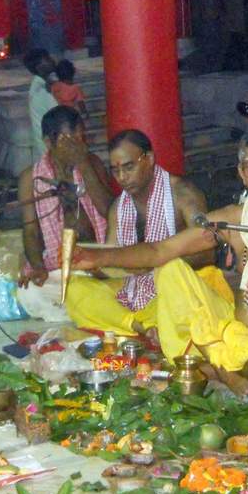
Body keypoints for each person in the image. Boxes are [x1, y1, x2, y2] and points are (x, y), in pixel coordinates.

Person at [71, 126, 248, 395]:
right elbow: (159, 251)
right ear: (242, 173)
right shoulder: (233, 218)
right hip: (238, 335)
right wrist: (95, 256)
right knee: (170, 271)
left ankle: (212, 366)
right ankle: (224, 366)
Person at [64, 129, 226, 347]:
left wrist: (154, 266)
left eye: (129, 167)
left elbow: (208, 252)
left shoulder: (183, 193)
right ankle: (140, 326)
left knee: (194, 293)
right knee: (75, 289)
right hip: (136, 289)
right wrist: (94, 265)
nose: (122, 177)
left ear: (149, 159)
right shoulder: (118, 207)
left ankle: (137, 325)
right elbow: (113, 264)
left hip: (172, 288)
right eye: (116, 170)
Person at [16, 106, 114, 319]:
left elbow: (109, 211)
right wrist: (38, 267)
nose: (78, 146)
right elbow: (30, 231)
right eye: (69, 141)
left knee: (112, 288)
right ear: (49, 142)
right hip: (57, 267)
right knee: (30, 294)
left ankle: (86, 308)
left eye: (81, 139)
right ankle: (85, 309)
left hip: (97, 263)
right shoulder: (30, 179)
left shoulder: (92, 163)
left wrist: (83, 164)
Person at [24, 49, 58, 164]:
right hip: (53, 150)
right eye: (47, 59)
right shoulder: (43, 92)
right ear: (39, 67)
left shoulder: (37, 87)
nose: (52, 61)